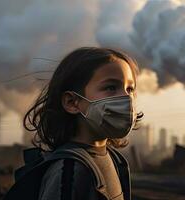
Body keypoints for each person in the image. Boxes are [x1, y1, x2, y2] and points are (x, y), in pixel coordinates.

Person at [23, 47, 143, 200]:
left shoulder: (114, 159)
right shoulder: (69, 170)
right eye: (111, 87)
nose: (127, 98)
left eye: (130, 89)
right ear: (72, 102)